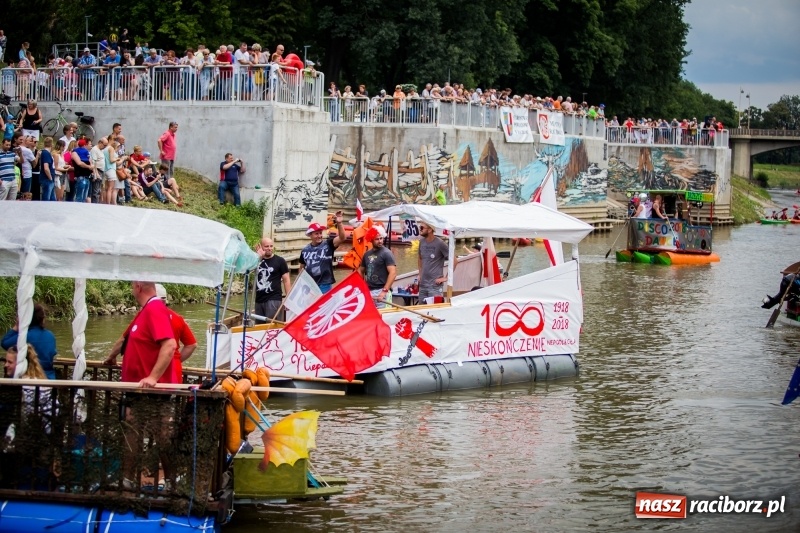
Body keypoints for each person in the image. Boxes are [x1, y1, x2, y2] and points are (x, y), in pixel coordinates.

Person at [153, 284, 197, 383]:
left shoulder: (144, 317)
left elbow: (124, 340)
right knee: (168, 398)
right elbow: (192, 345)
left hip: (150, 372)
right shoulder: (177, 318)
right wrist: (176, 360)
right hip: (173, 372)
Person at [2, 303, 58, 379]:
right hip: (49, 378)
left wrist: (17, 326)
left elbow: (4, 343)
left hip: (29, 377)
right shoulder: (50, 335)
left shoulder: (24, 337)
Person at [299, 211, 347, 293]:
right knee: (312, 305)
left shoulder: (328, 244)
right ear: (310, 235)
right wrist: (300, 282)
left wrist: (339, 223)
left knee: (323, 305)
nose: (319, 236)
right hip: (310, 284)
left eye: (320, 233)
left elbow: (342, 238)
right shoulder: (305, 250)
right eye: (316, 234)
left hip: (325, 284)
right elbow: (301, 268)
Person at [417, 221, 457, 303]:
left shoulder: (440, 243)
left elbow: (454, 260)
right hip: (423, 284)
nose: (420, 230)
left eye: (421, 228)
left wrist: (446, 277)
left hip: (435, 286)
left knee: (434, 309)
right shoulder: (421, 242)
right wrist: (420, 273)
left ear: (430, 230)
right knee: (421, 309)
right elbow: (420, 258)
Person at [359, 225, 397, 309]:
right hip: (369, 291)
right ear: (371, 240)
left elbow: (393, 273)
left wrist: (384, 291)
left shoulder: (387, 253)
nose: (380, 241)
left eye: (381, 238)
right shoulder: (367, 254)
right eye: (377, 239)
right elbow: (361, 271)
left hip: (382, 290)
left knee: (385, 317)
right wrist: (363, 287)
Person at [254, 237, 291, 323]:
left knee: (272, 326)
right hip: (259, 299)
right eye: (266, 246)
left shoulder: (280, 261)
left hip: (274, 299)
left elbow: (286, 280)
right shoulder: (257, 261)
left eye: (271, 246)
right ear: (261, 247)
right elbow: (248, 271)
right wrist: (258, 258)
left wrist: (288, 299)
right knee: (259, 327)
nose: (269, 248)